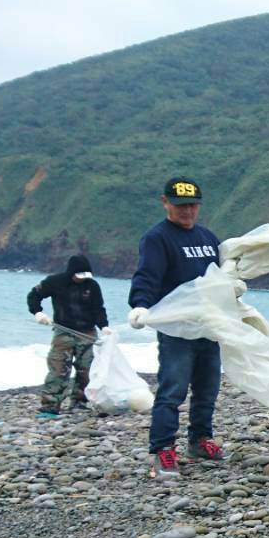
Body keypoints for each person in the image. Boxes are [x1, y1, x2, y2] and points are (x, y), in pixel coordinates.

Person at [127, 178, 225, 480]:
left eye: (193, 205)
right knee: (172, 390)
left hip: (208, 325)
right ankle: (163, 449)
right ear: (165, 202)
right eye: (181, 205)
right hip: (176, 329)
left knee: (208, 388)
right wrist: (140, 304)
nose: (188, 211)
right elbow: (147, 274)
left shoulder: (208, 237)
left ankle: (199, 440)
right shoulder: (157, 238)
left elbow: (221, 276)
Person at [26, 254, 108, 418]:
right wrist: (37, 312)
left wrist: (104, 326)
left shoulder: (92, 286)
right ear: (72, 272)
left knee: (87, 369)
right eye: (79, 275)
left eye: (85, 275)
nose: (82, 279)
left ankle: (79, 402)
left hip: (87, 332)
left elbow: (98, 308)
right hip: (63, 331)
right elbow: (34, 295)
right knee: (58, 368)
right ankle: (50, 405)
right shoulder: (55, 282)